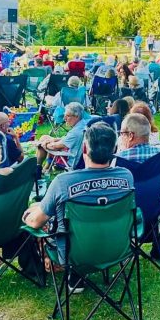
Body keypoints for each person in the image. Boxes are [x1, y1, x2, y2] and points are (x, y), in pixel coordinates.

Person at [23, 124, 135, 266]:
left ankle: (64, 271)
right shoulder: (126, 176)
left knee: (39, 213)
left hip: (73, 257)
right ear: (115, 149)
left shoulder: (63, 182)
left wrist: (26, 214)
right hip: (118, 250)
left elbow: (35, 222)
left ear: (84, 148)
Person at [36, 103, 88, 167]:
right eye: (64, 115)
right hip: (78, 154)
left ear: (77, 116)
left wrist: (43, 144)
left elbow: (54, 147)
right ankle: (45, 167)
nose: (64, 118)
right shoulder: (83, 124)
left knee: (42, 142)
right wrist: (53, 139)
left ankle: (38, 169)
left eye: (68, 116)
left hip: (71, 160)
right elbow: (67, 139)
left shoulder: (75, 132)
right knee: (45, 137)